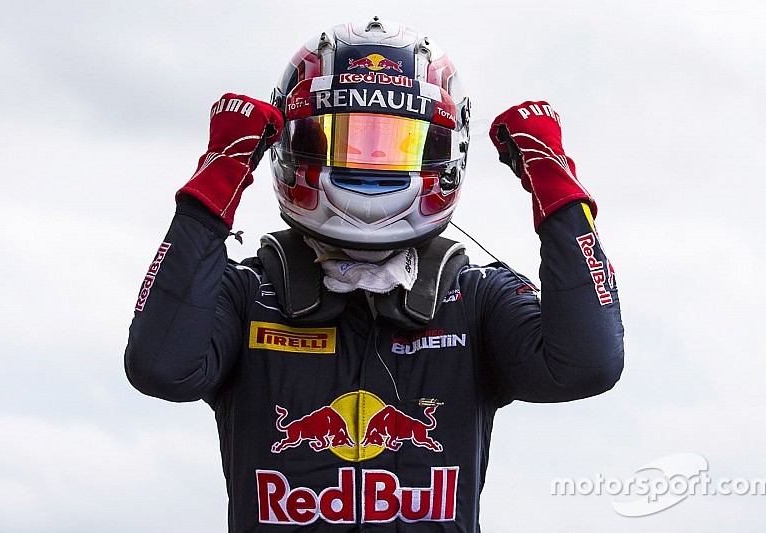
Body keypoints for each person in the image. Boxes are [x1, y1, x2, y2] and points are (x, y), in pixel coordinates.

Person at [125, 17, 624, 532]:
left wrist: (554, 181)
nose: (369, 165)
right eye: (346, 141)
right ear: (296, 143)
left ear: (441, 152)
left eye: (393, 145)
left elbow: (589, 363)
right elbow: (160, 366)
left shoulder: (472, 297)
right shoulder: (251, 293)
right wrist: (220, 173)